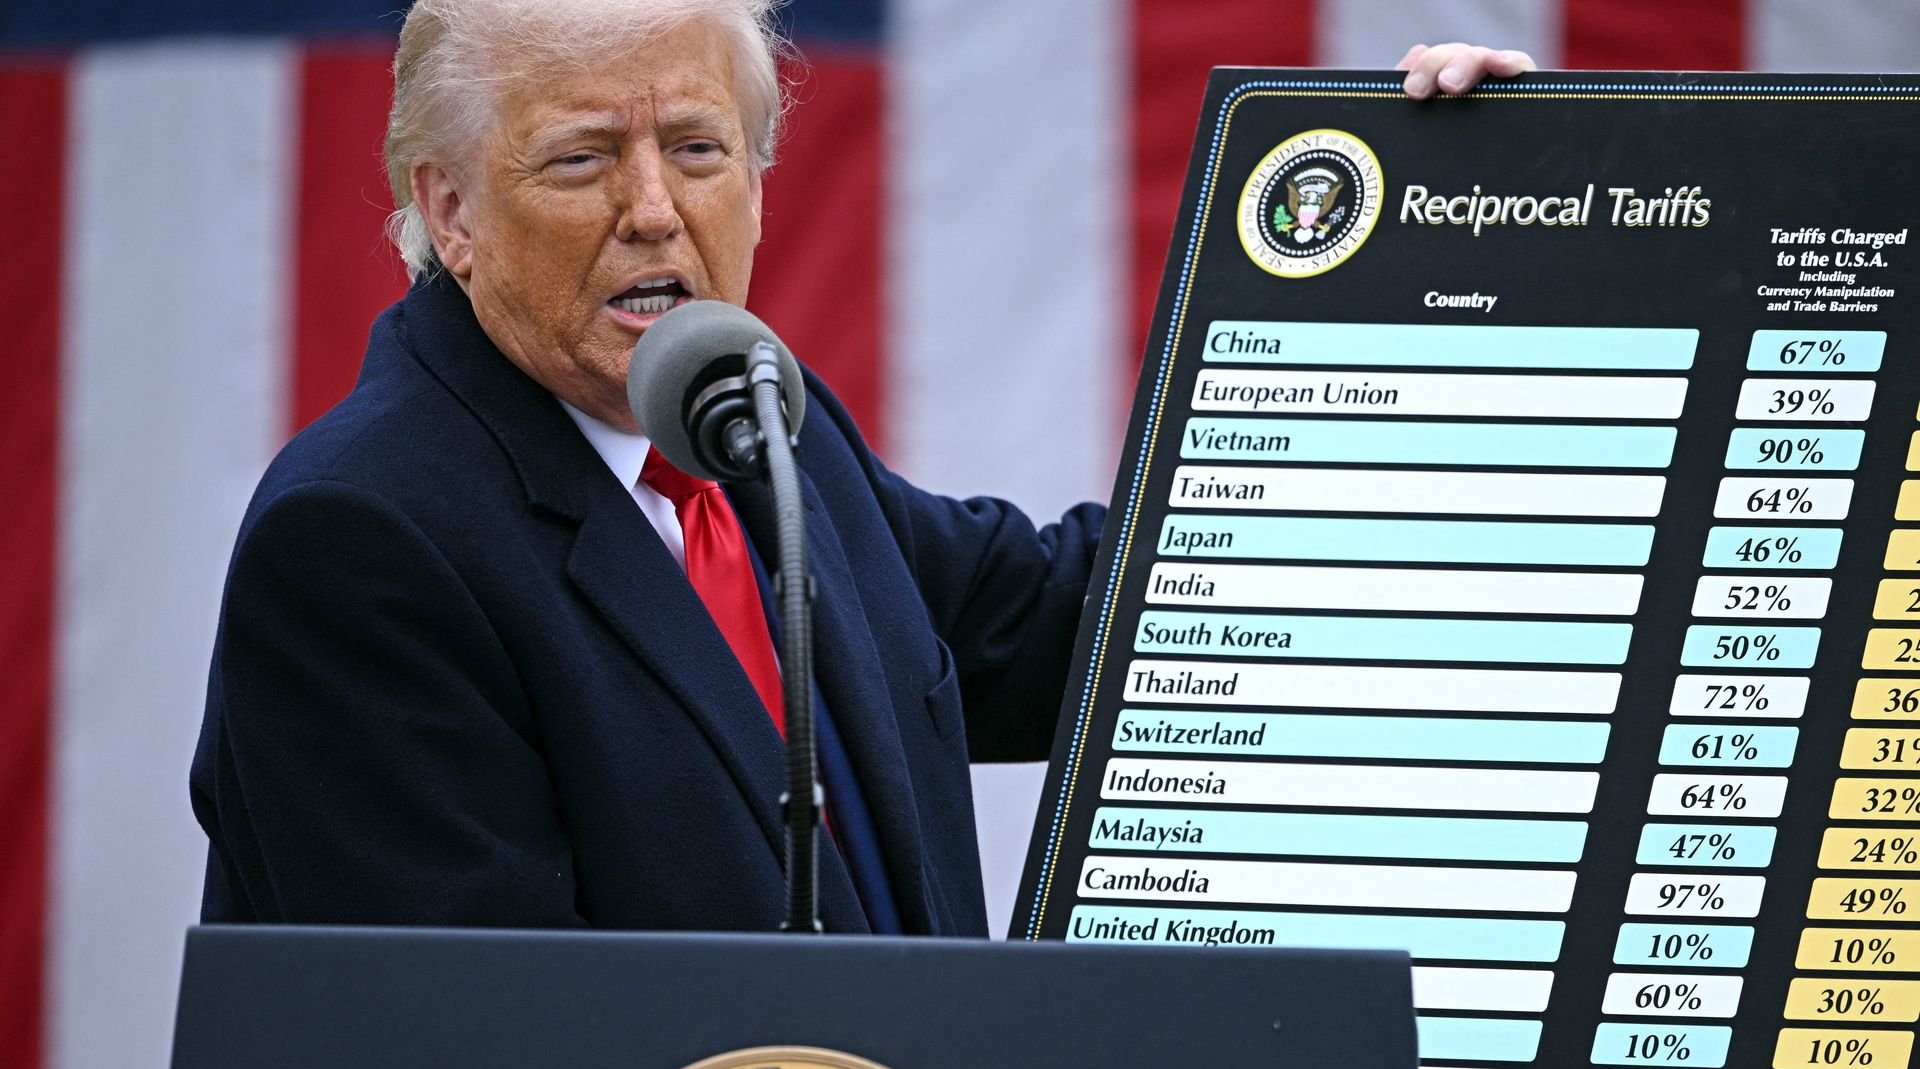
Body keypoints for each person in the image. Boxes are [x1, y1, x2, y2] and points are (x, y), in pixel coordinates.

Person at [188, 0, 1533, 934]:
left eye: (698, 149)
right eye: (582, 157)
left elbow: (1087, 623)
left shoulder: (757, 422)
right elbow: (488, 1032)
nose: (654, 207)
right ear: (450, 211)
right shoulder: (362, 539)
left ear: (761, 182)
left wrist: (1454, 249)